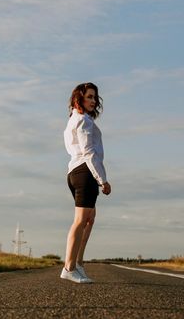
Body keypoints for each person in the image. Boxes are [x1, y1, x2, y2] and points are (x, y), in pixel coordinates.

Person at [61, 82, 111, 284]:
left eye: (94, 97)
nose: (93, 101)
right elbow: (89, 153)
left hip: (76, 171)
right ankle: (69, 267)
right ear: (79, 98)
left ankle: (78, 263)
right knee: (80, 220)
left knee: (89, 218)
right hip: (85, 172)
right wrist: (103, 180)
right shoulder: (83, 121)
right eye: (89, 96)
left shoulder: (75, 120)